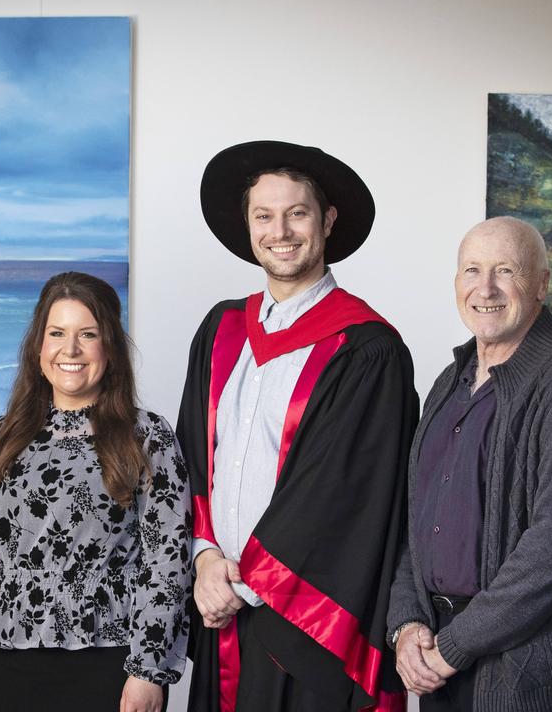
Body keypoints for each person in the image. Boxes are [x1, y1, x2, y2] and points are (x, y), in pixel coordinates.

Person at [179, 140, 418, 712]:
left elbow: (342, 498)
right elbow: (192, 457)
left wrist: (240, 585)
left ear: (328, 221)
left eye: (297, 213)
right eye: (264, 215)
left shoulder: (367, 350)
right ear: (248, 225)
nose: (279, 231)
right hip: (220, 607)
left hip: (304, 629)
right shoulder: (220, 331)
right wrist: (205, 557)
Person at [387, 216, 552, 712]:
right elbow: (413, 522)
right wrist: (407, 625)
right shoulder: (448, 380)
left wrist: (456, 644)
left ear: (542, 284)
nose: (485, 288)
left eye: (506, 270)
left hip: (524, 674)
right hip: (437, 657)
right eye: (472, 270)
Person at [0, 271, 190, 712]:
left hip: (109, 662)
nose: (70, 350)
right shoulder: (5, 435)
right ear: (38, 346)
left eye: (87, 334)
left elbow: (167, 558)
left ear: (110, 347)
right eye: (57, 333)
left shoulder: (147, 437)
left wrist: (148, 670)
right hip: (9, 662)